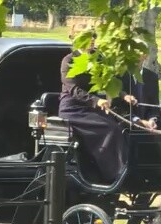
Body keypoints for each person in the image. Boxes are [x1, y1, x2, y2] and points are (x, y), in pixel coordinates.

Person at [58, 31, 137, 182]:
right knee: (110, 129)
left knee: (122, 126)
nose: (93, 41)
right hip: (73, 109)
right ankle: (114, 174)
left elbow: (108, 81)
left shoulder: (99, 57)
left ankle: (125, 168)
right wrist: (96, 100)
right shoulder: (68, 60)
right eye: (89, 38)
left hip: (92, 107)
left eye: (94, 37)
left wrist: (123, 95)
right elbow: (73, 89)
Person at [120, 54, 161, 132]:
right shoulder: (120, 75)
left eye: (139, 53)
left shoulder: (152, 76)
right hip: (127, 120)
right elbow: (118, 107)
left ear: (145, 56)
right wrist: (139, 121)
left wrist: (152, 120)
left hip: (148, 120)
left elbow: (154, 106)